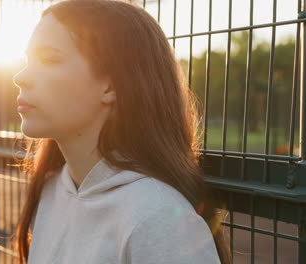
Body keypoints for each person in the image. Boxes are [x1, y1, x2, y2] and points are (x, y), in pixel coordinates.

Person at [12, 0, 231, 263]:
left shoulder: (159, 218)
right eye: (28, 60)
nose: (20, 77)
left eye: (49, 59)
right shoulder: (51, 188)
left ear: (110, 86)